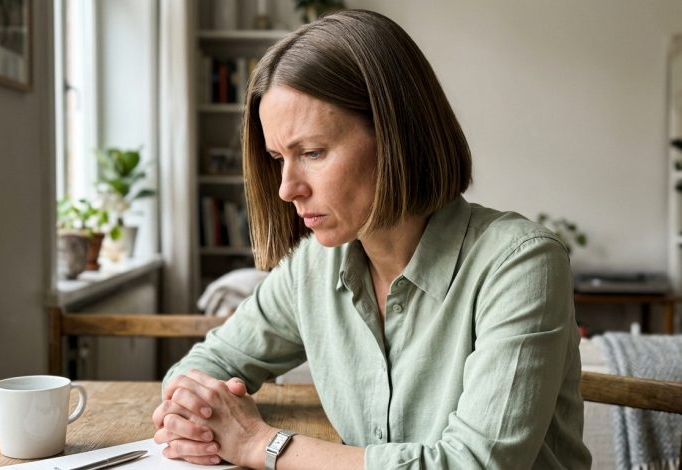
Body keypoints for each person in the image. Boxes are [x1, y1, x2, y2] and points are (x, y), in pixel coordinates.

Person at [152, 9, 591, 470]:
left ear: (398, 136)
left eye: (313, 152)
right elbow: (205, 363)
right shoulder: (313, 267)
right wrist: (192, 412)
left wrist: (260, 443)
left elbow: (474, 465)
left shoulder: (521, 264)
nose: (286, 188)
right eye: (278, 157)